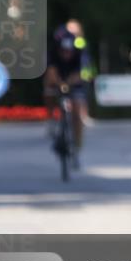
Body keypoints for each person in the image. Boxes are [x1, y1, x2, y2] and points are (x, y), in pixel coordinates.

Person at [44, 19, 92, 164]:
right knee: (49, 92)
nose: (66, 54)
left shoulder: (80, 51)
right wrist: (59, 84)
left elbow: (81, 73)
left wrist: (69, 83)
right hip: (58, 78)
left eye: (68, 52)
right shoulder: (53, 52)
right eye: (63, 51)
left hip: (74, 81)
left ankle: (77, 147)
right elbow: (51, 71)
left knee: (77, 113)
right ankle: (52, 119)